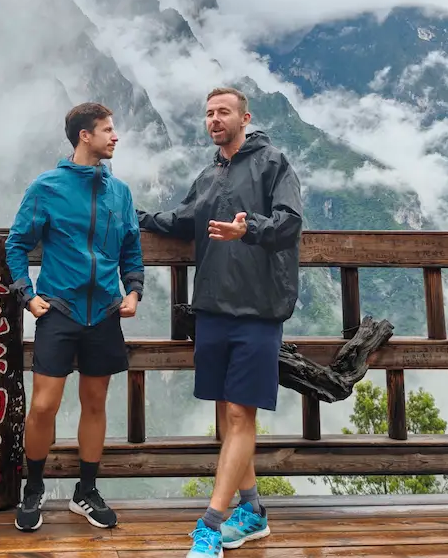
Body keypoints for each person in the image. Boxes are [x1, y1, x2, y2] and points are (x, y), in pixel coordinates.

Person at [137, 86, 303, 558]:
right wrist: (139, 219)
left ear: (244, 117)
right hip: (211, 305)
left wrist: (247, 227)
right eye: (209, 113)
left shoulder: (273, 163)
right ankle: (252, 511)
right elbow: (185, 218)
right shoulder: (210, 174)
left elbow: (290, 222)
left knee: (238, 413)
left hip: (258, 307)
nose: (214, 119)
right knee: (224, 411)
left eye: (223, 112)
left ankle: (210, 525)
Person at [5, 102, 144, 533]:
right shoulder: (46, 187)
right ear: (85, 136)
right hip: (59, 309)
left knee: (95, 403)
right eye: (107, 130)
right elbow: (16, 244)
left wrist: (134, 290)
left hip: (104, 311)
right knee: (44, 405)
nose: (115, 136)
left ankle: (86, 491)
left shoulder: (119, 192)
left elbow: (130, 249)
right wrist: (27, 295)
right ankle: (33, 489)